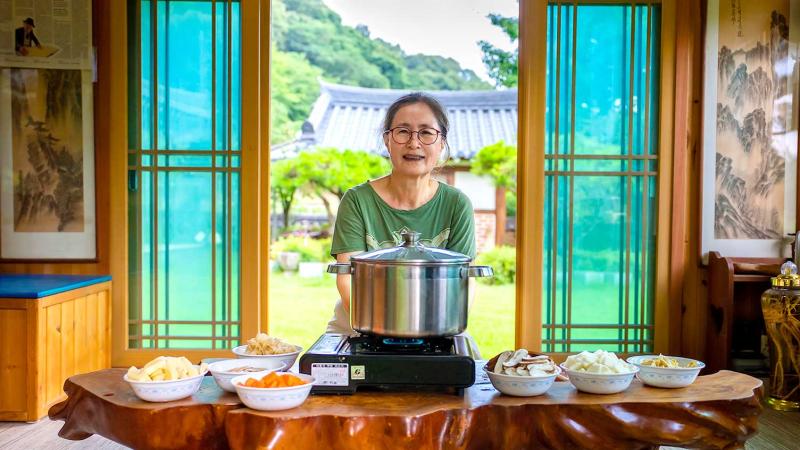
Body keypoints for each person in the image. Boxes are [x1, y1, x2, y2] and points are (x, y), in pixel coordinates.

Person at [327, 92, 477, 336]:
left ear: (441, 143)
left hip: (437, 327)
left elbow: (465, 280)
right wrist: (379, 328)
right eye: (403, 131)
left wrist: (441, 327)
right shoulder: (357, 200)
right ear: (387, 140)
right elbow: (346, 277)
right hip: (359, 323)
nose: (414, 143)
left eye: (426, 132)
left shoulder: (457, 204)